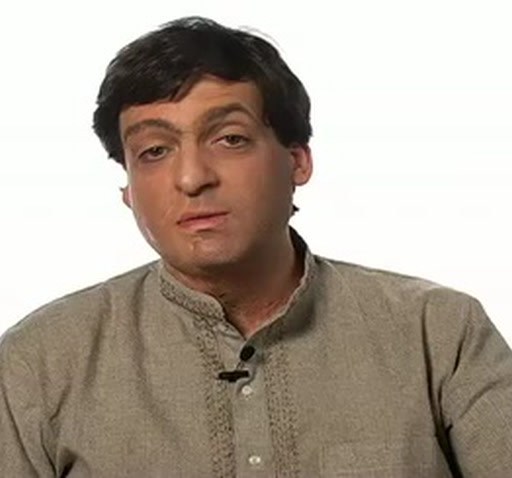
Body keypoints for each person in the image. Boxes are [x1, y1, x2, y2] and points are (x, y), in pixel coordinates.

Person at [1, 16, 511, 478]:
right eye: (154, 151)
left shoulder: (440, 333)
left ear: (298, 160)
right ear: (128, 190)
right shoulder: (38, 363)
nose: (192, 178)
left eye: (230, 139)